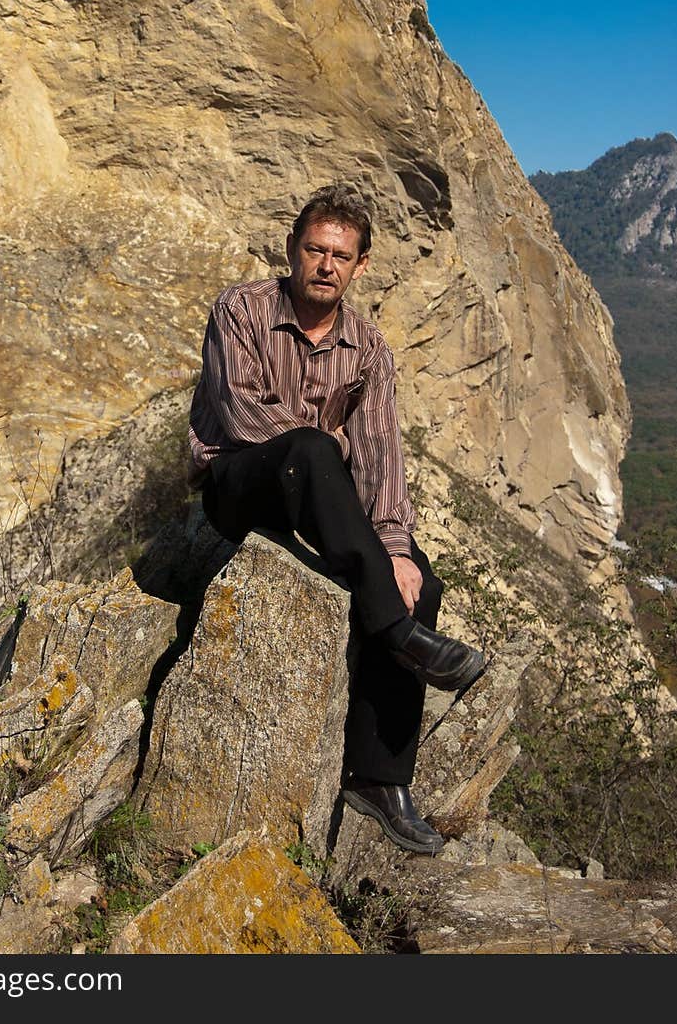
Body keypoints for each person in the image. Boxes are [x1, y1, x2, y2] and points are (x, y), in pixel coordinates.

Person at [187, 183, 485, 855]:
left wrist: (398, 549)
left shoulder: (368, 346)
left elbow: (380, 453)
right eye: (316, 249)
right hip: (241, 483)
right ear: (292, 250)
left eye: (341, 255)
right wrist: (327, 448)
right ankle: (397, 631)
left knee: (422, 583)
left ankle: (379, 779)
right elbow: (241, 417)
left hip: (320, 489)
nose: (327, 264)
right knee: (315, 448)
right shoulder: (241, 309)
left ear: (360, 266)